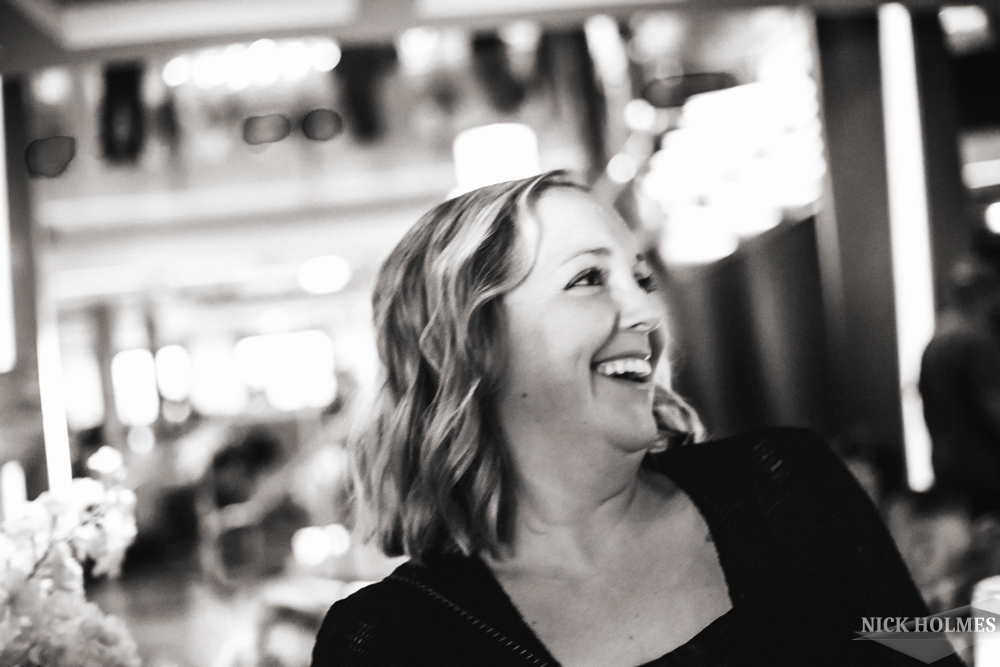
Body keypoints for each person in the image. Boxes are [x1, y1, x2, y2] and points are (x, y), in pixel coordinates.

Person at [312, 171, 960, 666]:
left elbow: (921, 652)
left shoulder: (784, 483)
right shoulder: (392, 641)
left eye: (643, 279)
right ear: (472, 343)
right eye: (589, 279)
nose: (649, 314)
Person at [919, 258, 1000, 518]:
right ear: (988, 296)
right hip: (986, 471)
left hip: (946, 466)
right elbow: (994, 410)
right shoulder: (977, 342)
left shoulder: (934, 342)